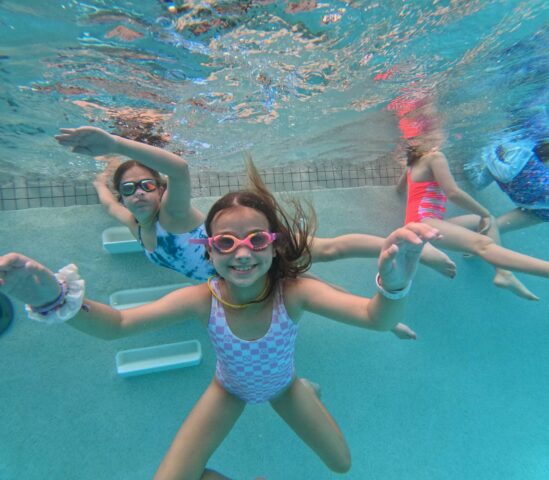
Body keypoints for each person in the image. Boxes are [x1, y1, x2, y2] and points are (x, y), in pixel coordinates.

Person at [0, 174, 440, 479]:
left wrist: (394, 284)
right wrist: (54, 299)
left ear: (273, 246)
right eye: (226, 242)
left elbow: (374, 318)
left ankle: (306, 389)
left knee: (340, 464)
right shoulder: (201, 299)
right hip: (227, 389)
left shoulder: (295, 292)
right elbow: (119, 325)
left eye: (256, 240)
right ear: (209, 252)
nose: (242, 253)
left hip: (283, 385)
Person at [398, 137, 549, 300]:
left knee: (486, 221)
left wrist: (484, 216)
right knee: (483, 243)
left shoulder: (410, 167)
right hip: (424, 222)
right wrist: (483, 211)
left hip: (425, 222)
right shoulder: (435, 157)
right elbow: (453, 193)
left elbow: (399, 189)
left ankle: (503, 273)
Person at [464, 133, 548, 234]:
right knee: (489, 228)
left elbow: (504, 175)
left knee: (490, 229)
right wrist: (470, 162)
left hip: (542, 207)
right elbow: (481, 183)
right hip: (535, 206)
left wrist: (485, 154)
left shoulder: (518, 151)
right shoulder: (498, 162)